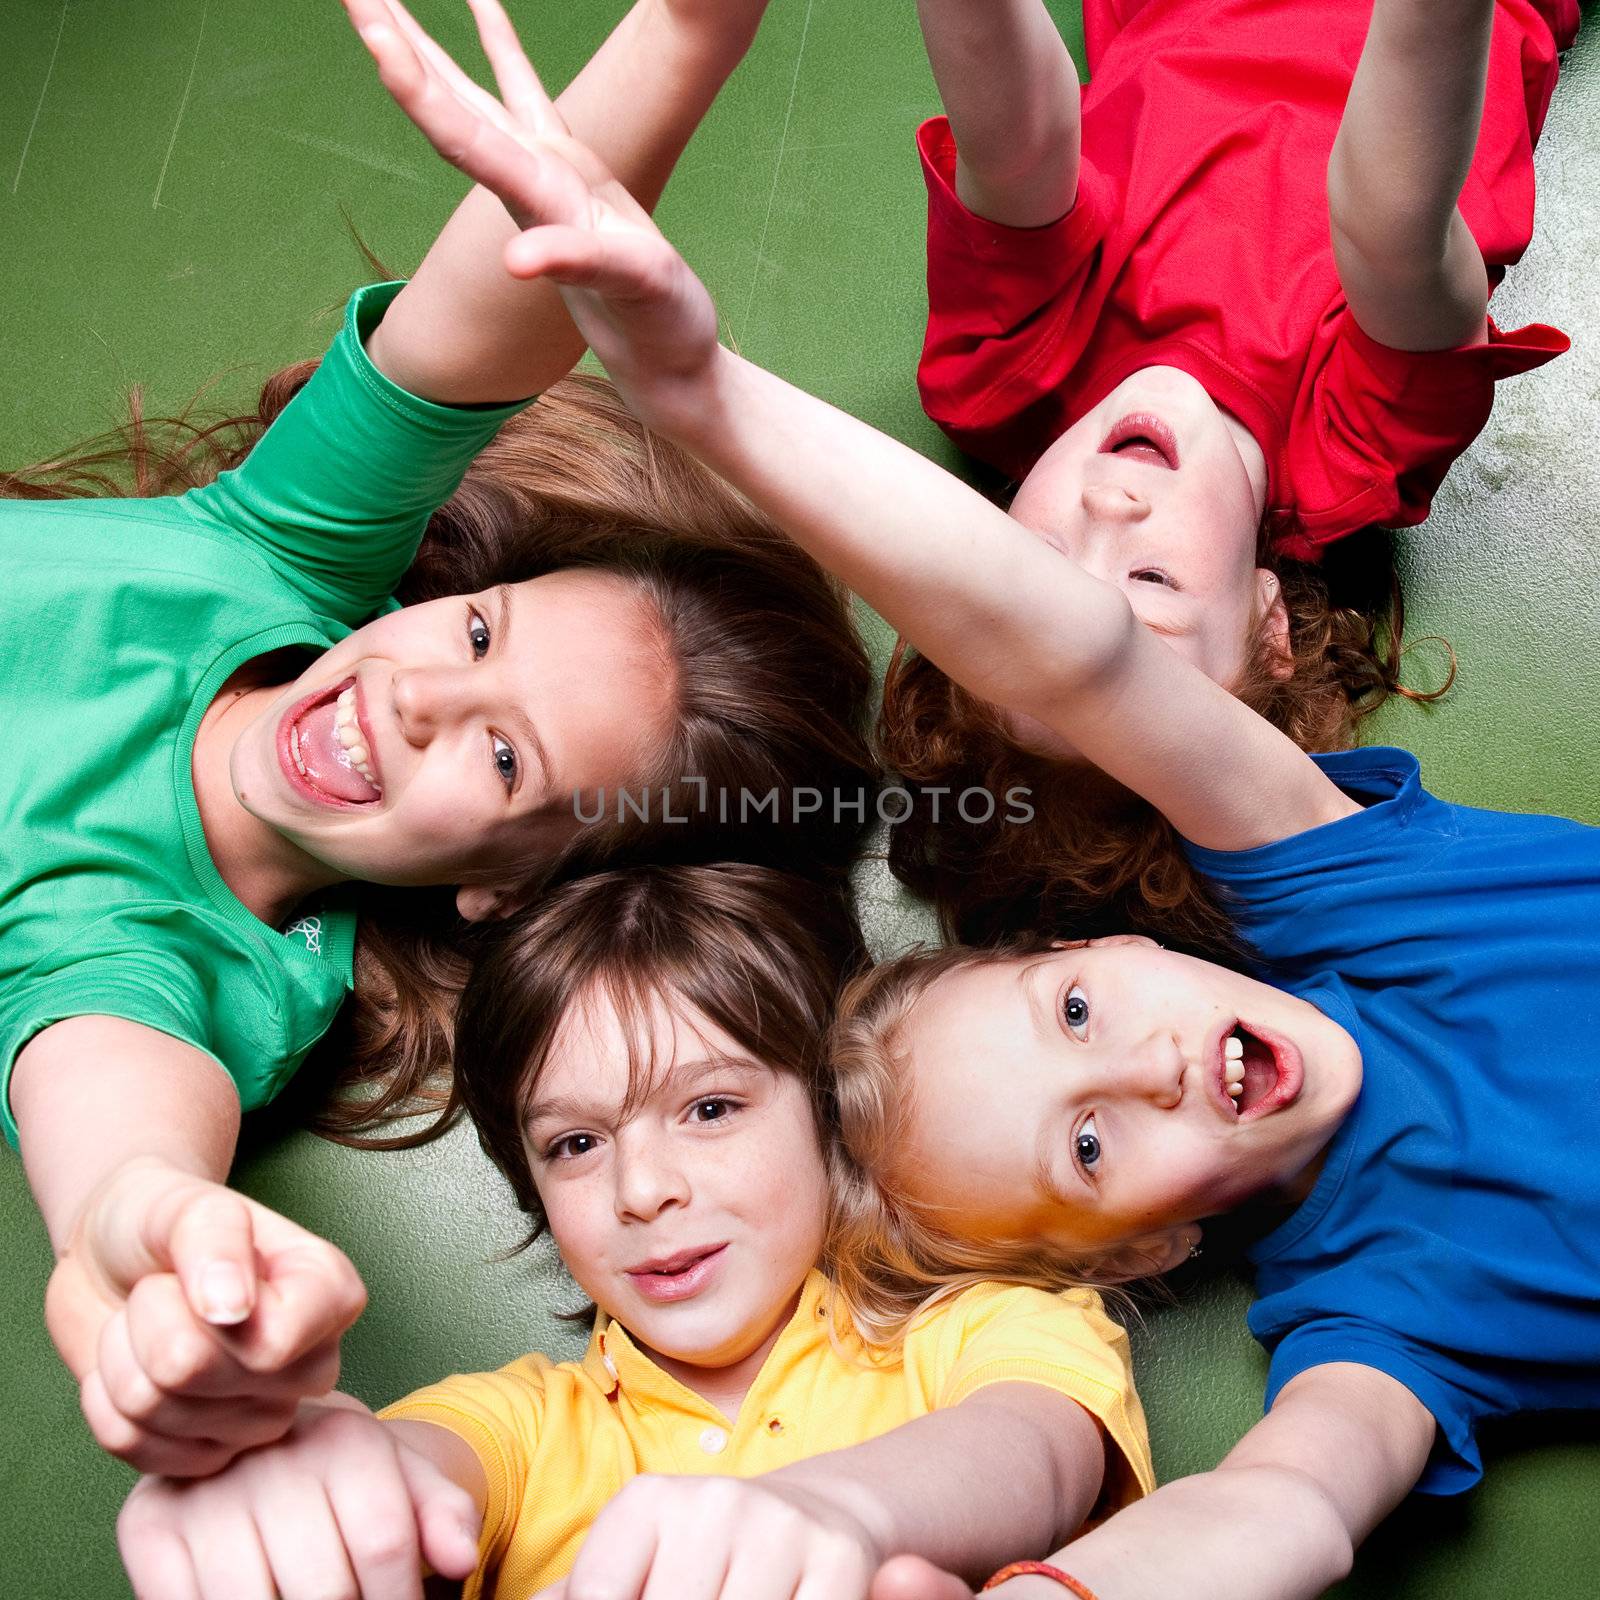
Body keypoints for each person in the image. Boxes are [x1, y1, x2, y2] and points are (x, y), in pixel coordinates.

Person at [349, 8, 1596, 1593]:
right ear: (1142, 1250)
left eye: (1077, 1016)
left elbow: (1076, 658)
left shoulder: (1356, 894)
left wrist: (697, 384)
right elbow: (1282, 1503)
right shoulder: (1384, 1304)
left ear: (1113, 948)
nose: (1143, 1073)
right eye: (1085, 1152)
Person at [2, 0, 876, 1485]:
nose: (416, 697)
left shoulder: (176, 954)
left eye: (508, 761)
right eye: (479, 635)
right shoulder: (276, 555)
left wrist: (153, 1270)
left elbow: (118, 1175)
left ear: (504, 885)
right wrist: (688, 29)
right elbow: (489, 314)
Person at [115, 864, 1154, 1600]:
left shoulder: (983, 1331)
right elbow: (411, 1469)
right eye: (574, 1144)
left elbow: (1034, 1450)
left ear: (828, 1113)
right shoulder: (520, 1426)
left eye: (710, 1109)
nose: (641, 1190)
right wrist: (315, 1486)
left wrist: (838, 1513)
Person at [876, 0, 1580, 952]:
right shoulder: (1361, 446)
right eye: (1151, 583)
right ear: (1269, 627)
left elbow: (1017, 146)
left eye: (1038, 560)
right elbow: (1395, 225)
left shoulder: (1005, 369)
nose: (1107, 505)